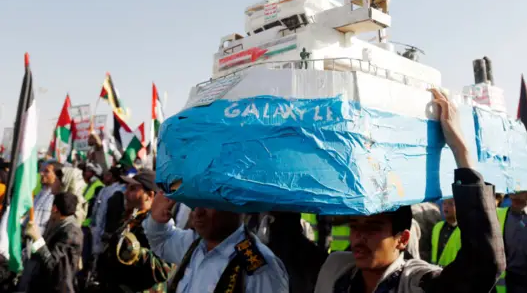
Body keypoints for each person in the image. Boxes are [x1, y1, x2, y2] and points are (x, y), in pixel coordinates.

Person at [314, 88, 504, 293]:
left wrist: (460, 150)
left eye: (373, 228)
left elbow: (483, 266)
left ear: (403, 239)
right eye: (354, 226)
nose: (359, 237)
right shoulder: (336, 273)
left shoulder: (417, 283)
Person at [143, 193, 289, 293]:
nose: (198, 212)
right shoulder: (194, 244)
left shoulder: (259, 268)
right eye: (195, 202)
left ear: (236, 206)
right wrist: (157, 220)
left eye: (209, 203)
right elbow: (162, 241)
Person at [96, 169, 171, 293]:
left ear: (150, 195)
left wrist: (137, 252)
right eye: (127, 188)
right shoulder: (131, 217)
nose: (125, 193)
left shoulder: (160, 225)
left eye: (133, 189)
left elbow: (164, 270)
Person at [22, 192, 84, 293]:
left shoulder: (71, 231)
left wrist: (37, 239)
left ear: (54, 208)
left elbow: (51, 263)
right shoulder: (59, 224)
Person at [33, 160, 63, 235]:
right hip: (29, 241)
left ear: (56, 176)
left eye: (47, 171)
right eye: (43, 171)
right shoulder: (41, 192)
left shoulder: (58, 198)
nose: (42, 173)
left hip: (41, 242)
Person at [430, 198, 460, 267]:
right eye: (444, 203)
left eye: (450, 204)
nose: (446, 206)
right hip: (436, 270)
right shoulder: (437, 227)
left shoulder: (464, 230)